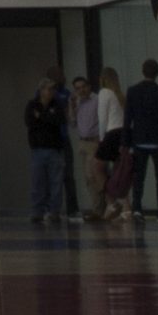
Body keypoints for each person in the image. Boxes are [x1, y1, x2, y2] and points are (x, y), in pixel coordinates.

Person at [124, 58, 158, 219]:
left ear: (143, 71)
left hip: (139, 138)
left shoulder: (133, 91)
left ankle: (137, 207)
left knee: (139, 176)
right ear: (157, 73)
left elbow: (127, 118)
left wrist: (126, 142)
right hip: (157, 139)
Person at [22, 73, 67, 223]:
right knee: (38, 182)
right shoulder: (32, 105)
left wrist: (41, 116)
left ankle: (54, 211)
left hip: (55, 149)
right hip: (38, 149)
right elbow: (30, 122)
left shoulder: (58, 105)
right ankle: (37, 211)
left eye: (53, 89)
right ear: (41, 90)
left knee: (56, 183)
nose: (51, 92)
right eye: (48, 89)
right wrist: (46, 117)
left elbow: (58, 121)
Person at [92, 67, 127, 219]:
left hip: (111, 133)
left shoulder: (104, 93)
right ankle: (125, 206)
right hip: (122, 133)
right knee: (119, 171)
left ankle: (111, 200)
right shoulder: (119, 95)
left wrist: (101, 139)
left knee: (97, 167)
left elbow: (102, 118)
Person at [68, 73, 104, 218]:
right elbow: (72, 122)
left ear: (89, 87)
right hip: (83, 142)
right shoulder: (77, 102)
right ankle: (97, 207)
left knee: (94, 175)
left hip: (94, 141)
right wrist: (72, 106)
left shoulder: (97, 100)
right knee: (88, 178)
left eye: (83, 87)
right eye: (78, 88)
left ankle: (100, 208)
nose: (81, 91)